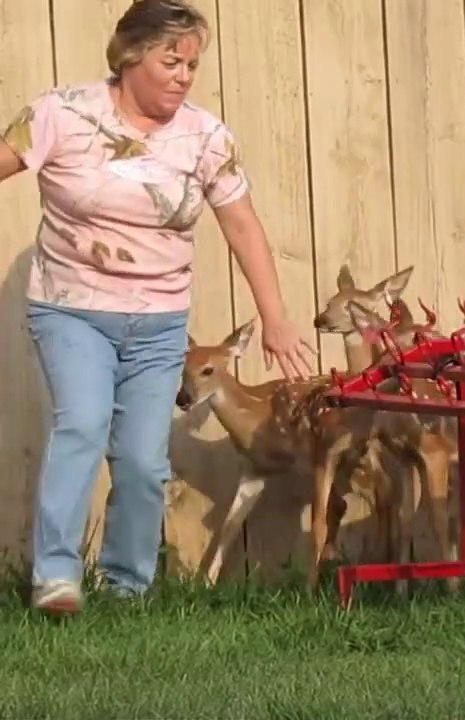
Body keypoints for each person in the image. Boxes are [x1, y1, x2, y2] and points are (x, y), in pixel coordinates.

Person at [0, 0, 316, 616]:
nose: (183, 75)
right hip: (71, 308)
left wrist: (274, 315)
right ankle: (56, 579)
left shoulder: (205, 136)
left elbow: (243, 227)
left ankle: (127, 588)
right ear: (129, 57)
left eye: (192, 65)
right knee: (83, 424)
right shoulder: (60, 114)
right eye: (171, 61)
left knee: (144, 460)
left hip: (159, 321)